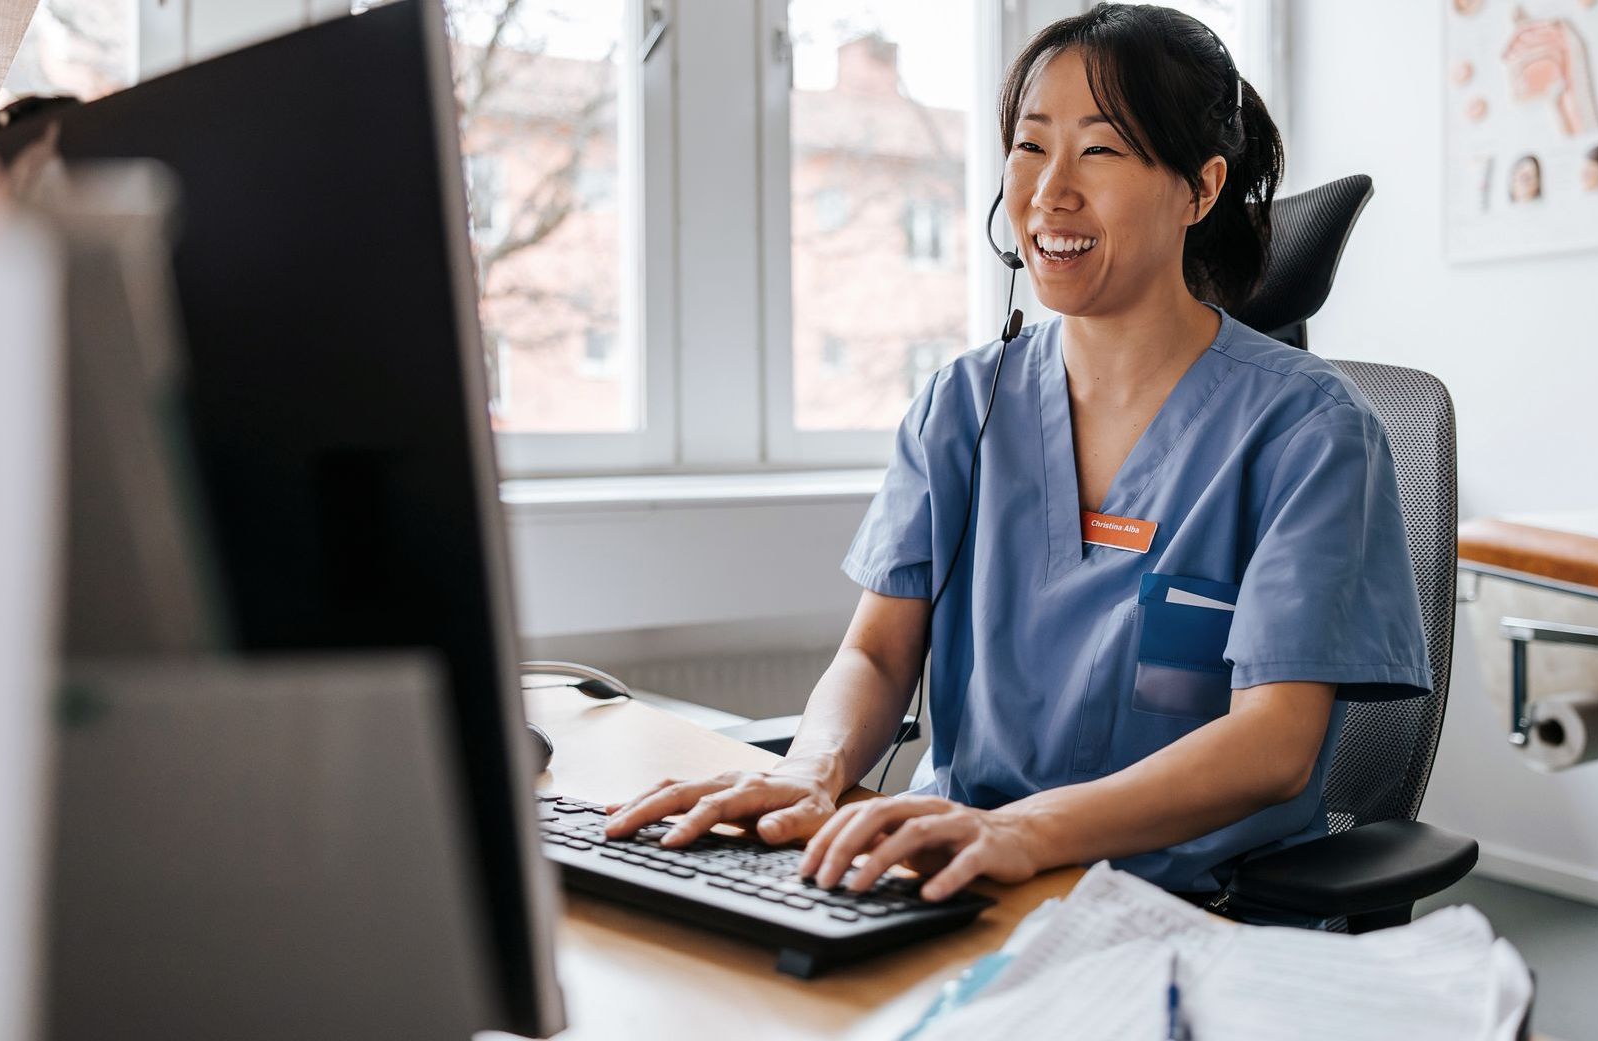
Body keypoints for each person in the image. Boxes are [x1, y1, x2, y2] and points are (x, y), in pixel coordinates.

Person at [604, 3, 1431, 909]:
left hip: (1188, 910)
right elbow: (879, 656)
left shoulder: (1311, 432)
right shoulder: (963, 405)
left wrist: (1022, 830)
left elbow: (1275, 745)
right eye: (1031, 147)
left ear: (1200, 189)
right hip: (954, 879)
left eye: (1101, 151)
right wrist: (814, 770)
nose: (1050, 192)